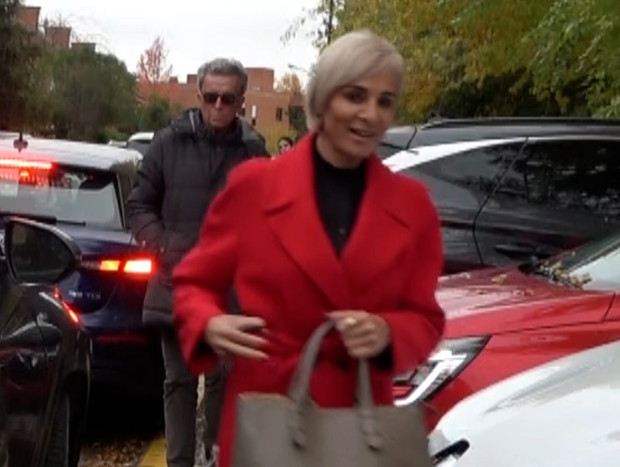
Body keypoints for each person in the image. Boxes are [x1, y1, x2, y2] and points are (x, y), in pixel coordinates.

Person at [172, 30, 445, 467]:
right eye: (355, 96)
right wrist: (208, 322)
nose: (370, 114)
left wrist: (388, 332)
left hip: (359, 428)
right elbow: (193, 283)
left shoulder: (412, 207)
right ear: (321, 101)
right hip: (269, 419)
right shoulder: (255, 187)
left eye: (385, 101)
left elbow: (425, 317)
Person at [126, 58, 270, 467]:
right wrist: (163, 247)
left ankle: (217, 457)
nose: (219, 105)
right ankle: (180, 462)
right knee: (179, 381)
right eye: (211, 97)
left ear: (241, 100)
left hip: (230, 292)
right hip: (177, 284)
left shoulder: (253, 151)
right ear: (200, 97)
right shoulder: (168, 143)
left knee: (224, 378)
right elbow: (139, 204)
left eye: (228, 98)